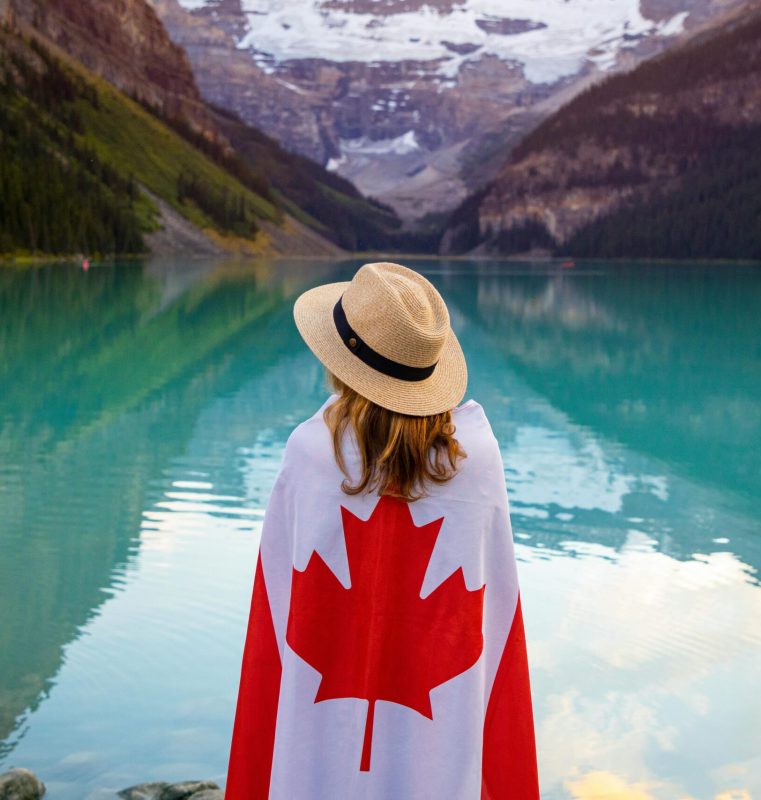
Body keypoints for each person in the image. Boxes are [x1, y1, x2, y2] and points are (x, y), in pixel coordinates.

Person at [225, 262, 539, 799]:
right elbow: (496, 618)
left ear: (341, 362)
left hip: (318, 740)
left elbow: (276, 613)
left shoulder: (308, 453)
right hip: (438, 745)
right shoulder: (479, 461)